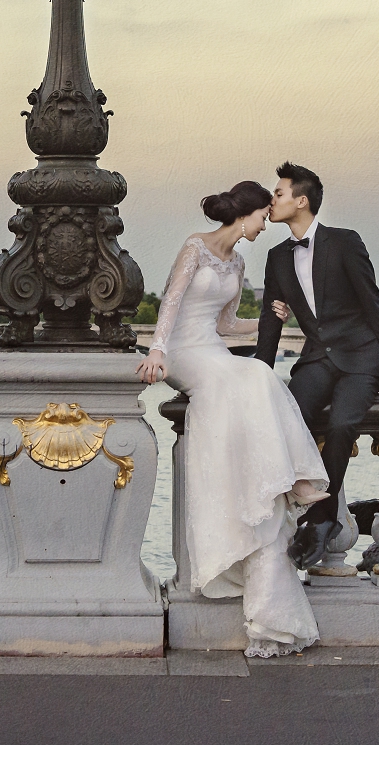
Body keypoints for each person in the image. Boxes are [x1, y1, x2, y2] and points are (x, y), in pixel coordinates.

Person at [136, 180, 329, 659]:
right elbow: (172, 305)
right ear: (245, 215)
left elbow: (225, 325)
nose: (267, 224)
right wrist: (157, 349)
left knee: (259, 374)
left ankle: (289, 481)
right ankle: (293, 480)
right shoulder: (194, 248)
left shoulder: (238, 262)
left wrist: (269, 317)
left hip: (214, 348)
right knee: (245, 378)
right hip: (183, 353)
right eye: (264, 216)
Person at [255, 161, 379, 572]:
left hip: (362, 358)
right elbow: (271, 319)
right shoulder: (277, 258)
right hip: (316, 359)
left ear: (302, 200)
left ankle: (324, 517)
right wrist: (260, 369)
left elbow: (372, 305)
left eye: (278, 193)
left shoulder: (345, 242)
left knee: (344, 424)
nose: (271, 200)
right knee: (291, 413)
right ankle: (300, 501)